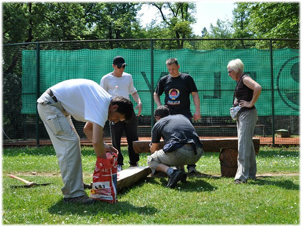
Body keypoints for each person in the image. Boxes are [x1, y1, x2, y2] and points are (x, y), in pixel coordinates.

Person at [37, 79, 134, 204]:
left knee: (73, 141)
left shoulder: (103, 101)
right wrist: (103, 166)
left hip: (57, 106)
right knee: (70, 143)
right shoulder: (102, 105)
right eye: (118, 118)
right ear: (114, 107)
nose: (115, 121)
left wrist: (103, 146)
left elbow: (87, 129)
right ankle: (73, 194)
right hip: (50, 105)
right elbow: (96, 140)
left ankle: (76, 185)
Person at [153, 58, 201, 173]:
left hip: (184, 115)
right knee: (169, 139)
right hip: (168, 117)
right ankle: (175, 166)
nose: (171, 71)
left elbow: (195, 95)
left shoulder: (187, 78)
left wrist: (197, 110)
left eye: (173, 69)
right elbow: (156, 94)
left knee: (188, 139)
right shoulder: (164, 80)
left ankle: (191, 166)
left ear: (178, 67)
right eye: (169, 69)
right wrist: (160, 107)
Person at [100, 56, 142, 172]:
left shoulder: (128, 77)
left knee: (133, 137)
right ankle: (118, 163)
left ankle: (134, 162)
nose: (121, 69)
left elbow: (133, 91)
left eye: (123, 66)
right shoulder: (106, 79)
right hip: (115, 113)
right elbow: (102, 95)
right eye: (119, 66)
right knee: (116, 139)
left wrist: (139, 102)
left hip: (128, 111)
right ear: (113, 66)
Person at [147, 106, 204, 188]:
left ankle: (172, 172)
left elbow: (154, 148)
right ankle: (181, 173)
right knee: (176, 147)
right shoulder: (182, 117)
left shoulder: (159, 123)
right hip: (197, 152)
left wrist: (152, 149)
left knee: (151, 159)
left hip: (180, 153)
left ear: (157, 117)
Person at [227, 59, 262, 184]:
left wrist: (250, 103)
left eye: (230, 71)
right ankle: (251, 173)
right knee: (248, 145)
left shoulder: (245, 78)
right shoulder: (239, 80)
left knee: (243, 144)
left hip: (248, 115)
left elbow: (258, 87)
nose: (228, 74)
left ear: (236, 70)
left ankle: (241, 176)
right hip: (242, 115)